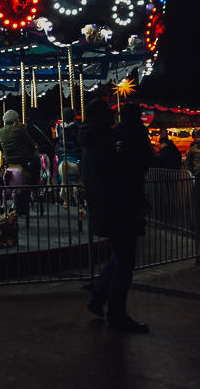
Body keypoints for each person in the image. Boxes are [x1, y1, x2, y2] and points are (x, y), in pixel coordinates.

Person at [82, 101, 151, 333]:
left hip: (104, 206)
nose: (113, 118)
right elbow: (119, 177)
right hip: (117, 208)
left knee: (119, 254)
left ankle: (99, 296)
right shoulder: (105, 143)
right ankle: (116, 311)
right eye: (109, 114)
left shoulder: (91, 141)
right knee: (125, 259)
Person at [0, 110, 38, 214]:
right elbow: (30, 143)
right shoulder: (20, 129)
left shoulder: (0, 132)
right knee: (36, 160)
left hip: (9, 161)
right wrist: (33, 149)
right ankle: (34, 185)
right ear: (15, 119)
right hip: (22, 159)